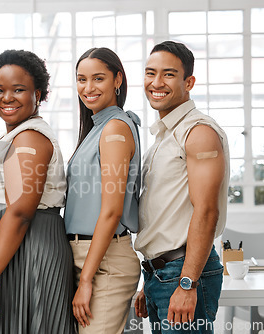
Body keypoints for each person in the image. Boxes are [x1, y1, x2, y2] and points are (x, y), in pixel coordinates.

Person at [0, 49, 76, 333]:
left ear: (38, 94)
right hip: (8, 252)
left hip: (28, 250)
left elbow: (19, 212)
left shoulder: (30, 137)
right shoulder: (13, 136)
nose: (7, 98)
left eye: (19, 90)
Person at [134, 40, 229, 333]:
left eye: (169, 74)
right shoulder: (164, 137)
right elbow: (165, 216)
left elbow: (207, 212)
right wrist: (150, 281)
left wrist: (187, 283)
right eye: (150, 73)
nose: (156, 82)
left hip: (183, 273)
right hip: (163, 274)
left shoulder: (198, 132)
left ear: (189, 82)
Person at [64, 47, 142, 333]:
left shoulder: (114, 129)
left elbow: (111, 211)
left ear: (117, 80)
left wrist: (86, 280)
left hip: (104, 261)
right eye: (81, 79)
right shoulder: (97, 128)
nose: (88, 88)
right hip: (85, 256)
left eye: (98, 79)